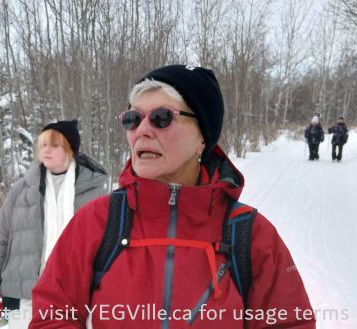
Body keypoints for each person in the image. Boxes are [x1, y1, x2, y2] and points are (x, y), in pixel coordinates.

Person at [30, 65, 314, 328]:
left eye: (161, 118)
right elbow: (51, 315)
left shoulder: (249, 233)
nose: (142, 131)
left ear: (202, 136)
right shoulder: (97, 221)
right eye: (133, 119)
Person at [0, 120, 109, 328]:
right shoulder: (21, 191)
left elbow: (109, 247)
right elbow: (2, 237)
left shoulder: (97, 194)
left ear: (70, 149)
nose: (46, 150)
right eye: (43, 144)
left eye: (54, 145)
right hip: (23, 296)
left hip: (78, 296)